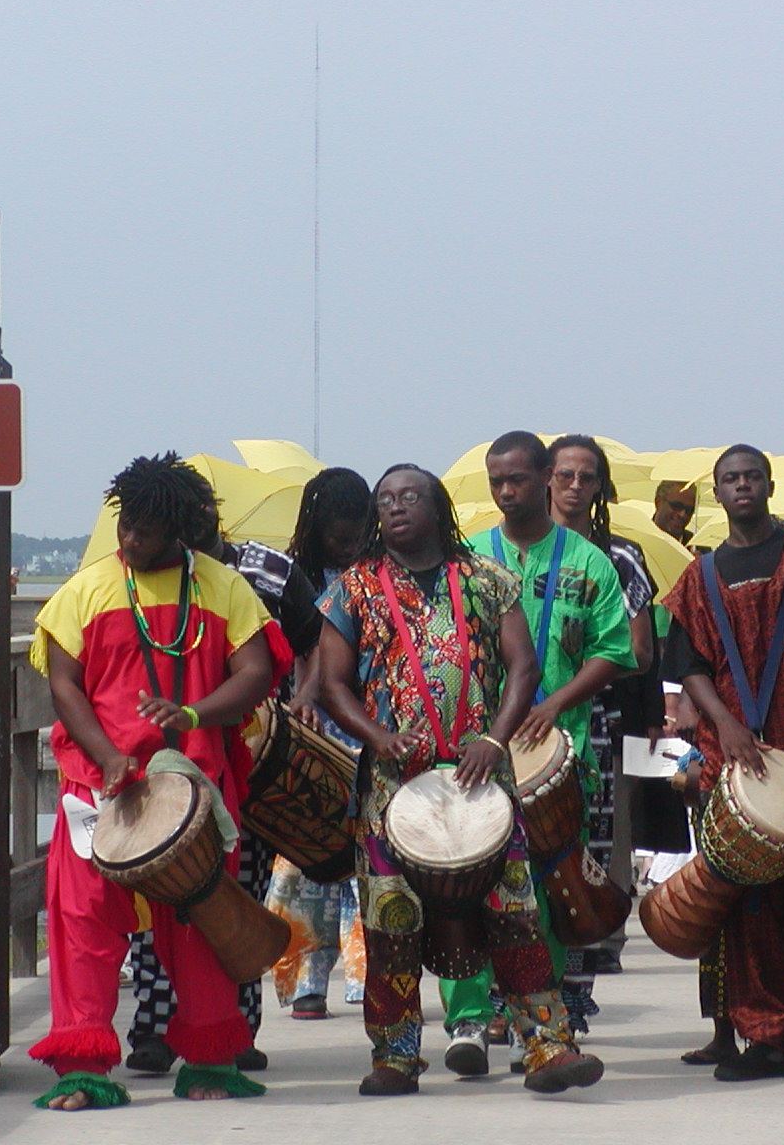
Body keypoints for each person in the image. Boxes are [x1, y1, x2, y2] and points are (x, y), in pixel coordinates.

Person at [317, 463, 604, 1096]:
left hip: (484, 784)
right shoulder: (353, 589)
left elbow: (523, 667)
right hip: (393, 793)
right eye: (385, 499)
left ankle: (547, 1047)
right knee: (391, 924)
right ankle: (395, 1056)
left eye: (410, 496)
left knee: (516, 915)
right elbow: (332, 685)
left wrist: (495, 738)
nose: (395, 507)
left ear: (437, 505)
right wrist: (377, 736)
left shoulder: (485, 578)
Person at [26, 453, 290, 1110]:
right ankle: (83, 1069)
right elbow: (64, 684)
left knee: (200, 926)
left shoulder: (224, 587)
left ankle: (209, 1061)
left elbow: (257, 671)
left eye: (145, 529)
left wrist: (197, 713)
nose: (130, 539)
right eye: (126, 525)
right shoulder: (86, 590)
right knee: (84, 924)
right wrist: (109, 755)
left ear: (179, 530)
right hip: (100, 791)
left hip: (193, 792)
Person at [661, 445, 784, 1088]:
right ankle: (766, 1035)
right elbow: (688, 665)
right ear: (718, 493)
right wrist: (725, 724)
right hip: (733, 755)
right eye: (729, 479)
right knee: (748, 906)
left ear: (768, 485)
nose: (742, 486)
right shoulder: (699, 576)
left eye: (751, 476)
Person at [437, 431, 635, 1068]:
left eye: (517, 480)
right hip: (480, 752)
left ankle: (540, 1026)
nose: (505, 492)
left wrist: (552, 703)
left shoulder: (589, 562)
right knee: (465, 890)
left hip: (560, 754)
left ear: (545, 476)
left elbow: (615, 650)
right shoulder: (468, 558)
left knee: (545, 895)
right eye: (496, 481)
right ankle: (470, 1020)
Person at [122, 481, 331, 1074]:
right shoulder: (140, 580)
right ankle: (155, 1029)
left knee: (236, 895)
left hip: (253, 758)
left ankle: (237, 1030)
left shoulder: (266, 572)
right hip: (162, 763)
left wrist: (305, 702)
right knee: (158, 893)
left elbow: (316, 640)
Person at [544, 434, 658, 1006]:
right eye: (564, 475)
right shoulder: (514, 550)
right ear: (547, 477)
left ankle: (575, 991)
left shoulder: (621, 558)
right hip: (517, 726)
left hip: (596, 725)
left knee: (583, 860)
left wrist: (584, 654)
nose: (574, 486)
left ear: (600, 487)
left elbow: (640, 653)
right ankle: (514, 994)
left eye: (586, 478)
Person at [264, 467, 372, 1021]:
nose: (349, 545)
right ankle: (307, 978)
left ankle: (367, 976)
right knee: (305, 858)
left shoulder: (380, 574)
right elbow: (303, 650)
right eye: (338, 535)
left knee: (368, 858)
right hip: (309, 731)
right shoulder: (293, 576)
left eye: (357, 534)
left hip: (366, 727)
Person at [653, 480, 699, 547]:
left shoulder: (697, 545)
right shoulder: (638, 539)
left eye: (689, 510)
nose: (682, 514)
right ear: (658, 502)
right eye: (677, 506)